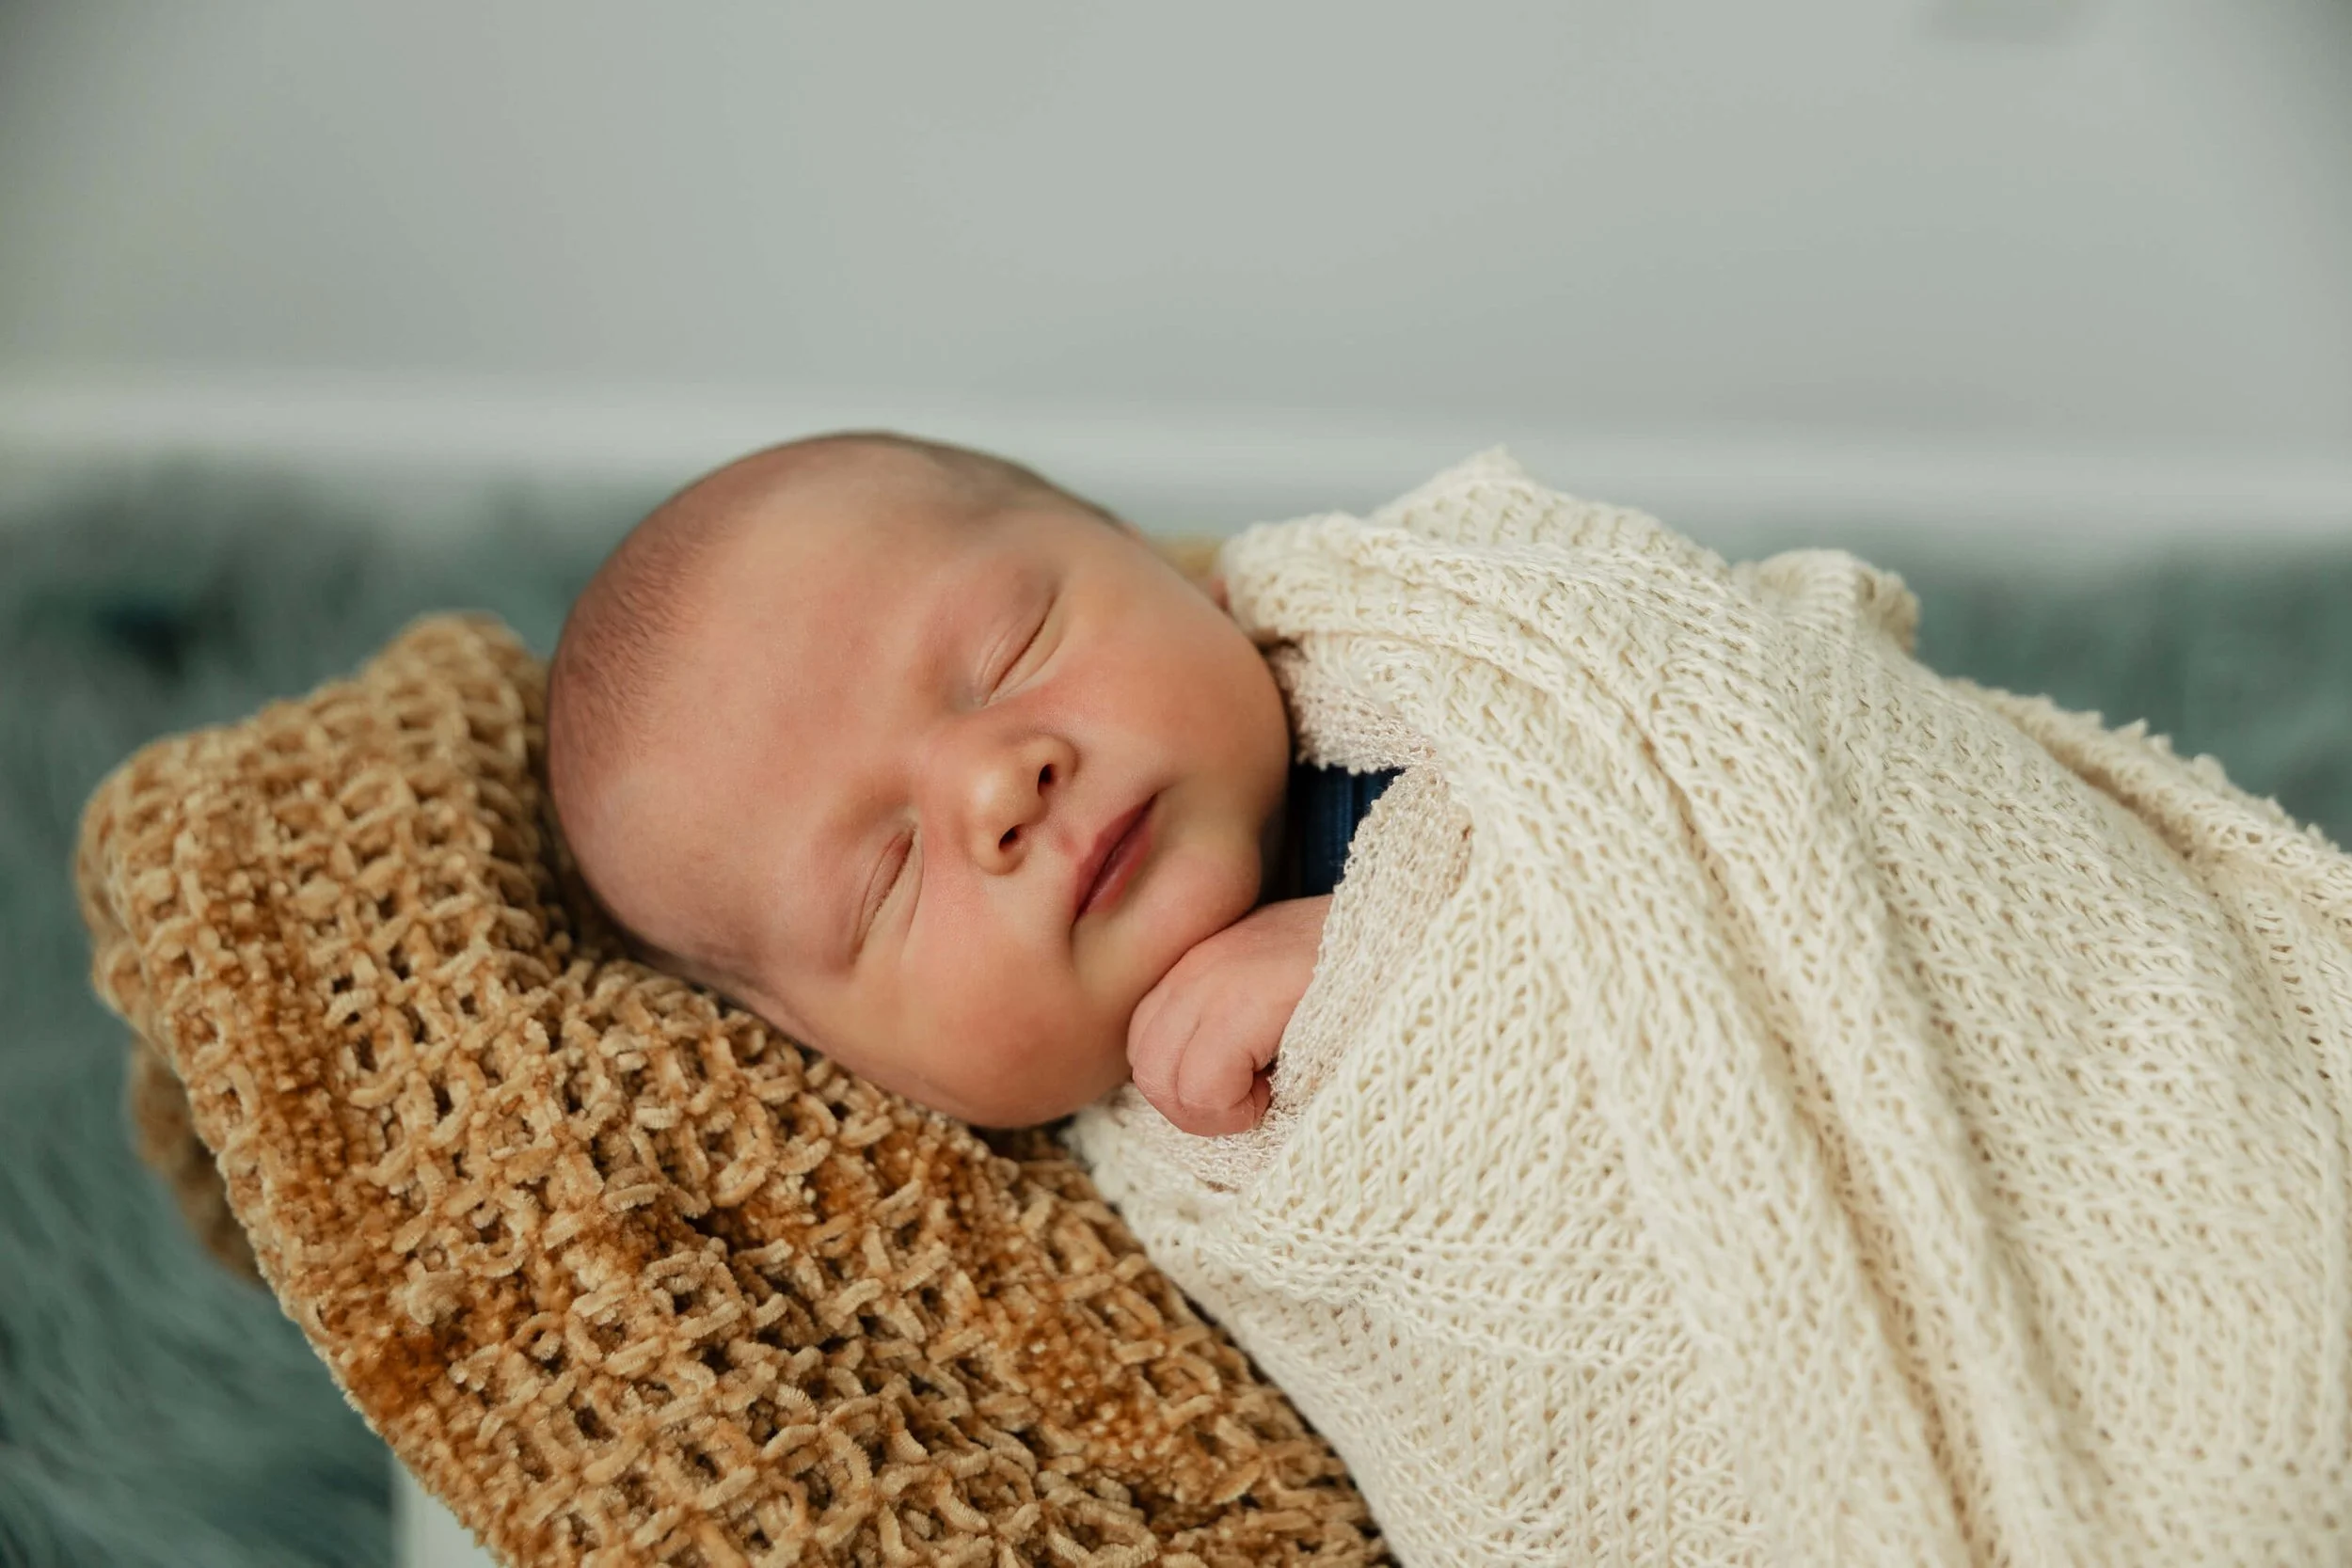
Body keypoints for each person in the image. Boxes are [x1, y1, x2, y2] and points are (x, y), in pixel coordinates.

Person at [547, 430, 1380, 1134]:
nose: (996, 789)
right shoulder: (1058, 1256)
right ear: (846, 1060)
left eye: (1011, 651)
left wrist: (1382, 949)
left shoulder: (1400, 659)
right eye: (890, 875)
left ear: (1149, 556)